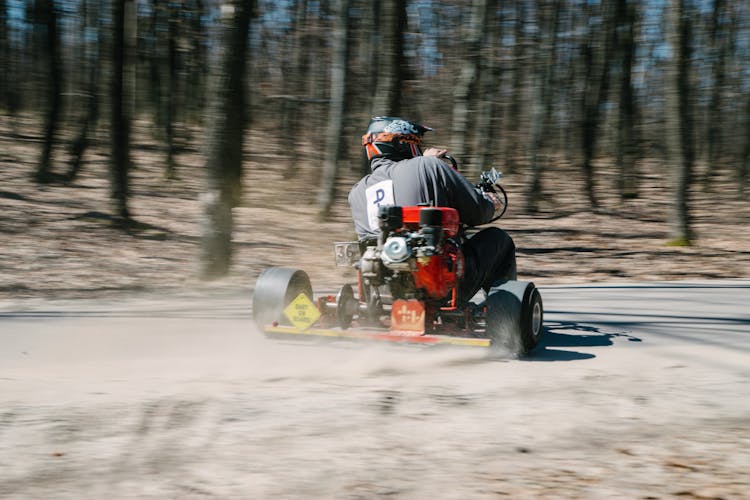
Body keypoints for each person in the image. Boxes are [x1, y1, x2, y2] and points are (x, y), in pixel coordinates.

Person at [348, 116, 517, 302]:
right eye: (416, 143)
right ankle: (502, 313)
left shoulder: (356, 192)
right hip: (439, 288)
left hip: (380, 294)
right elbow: (477, 212)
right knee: (499, 239)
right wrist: (490, 202)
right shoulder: (429, 166)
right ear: (403, 144)